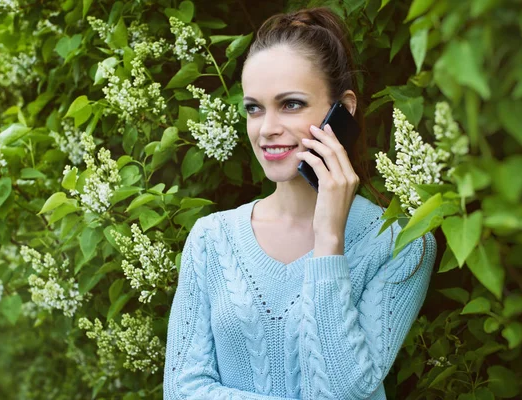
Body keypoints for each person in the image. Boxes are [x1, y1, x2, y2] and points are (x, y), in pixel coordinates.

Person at [163, 7, 437, 400]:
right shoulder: (211, 239)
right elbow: (181, 390)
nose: (267, 128)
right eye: (254, 107)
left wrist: (329, 242)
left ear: (343, 108)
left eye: (290, 104)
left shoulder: (402, 242)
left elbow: (347, 390)